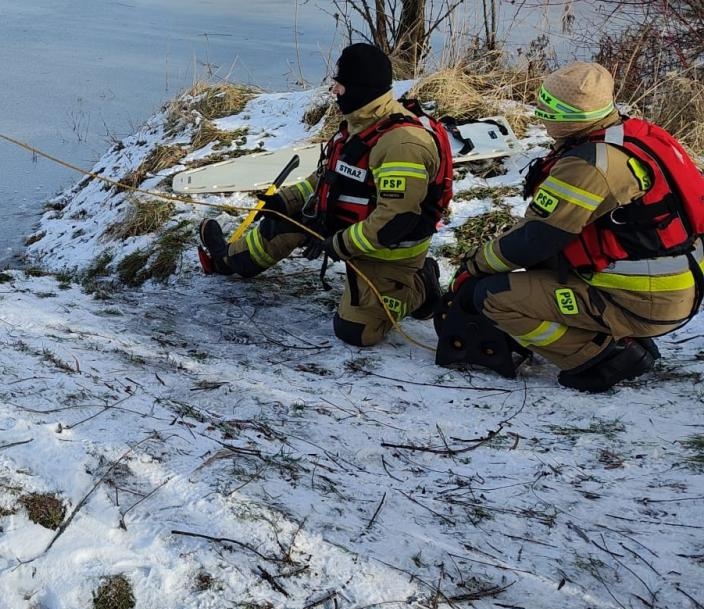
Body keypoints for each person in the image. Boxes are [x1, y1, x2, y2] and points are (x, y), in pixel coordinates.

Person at [448, 62, 703, 393]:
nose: (539, 116)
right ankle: (617, 331)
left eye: (546, 110)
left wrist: (475, 264)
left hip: (644, 298)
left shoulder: (590, 165)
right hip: (678, 286)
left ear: (567, 118)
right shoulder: (635, 135)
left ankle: (599, 355)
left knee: (493, 295)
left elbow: (536, 239)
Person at [199, 43, 451, 346]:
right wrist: (286, 202)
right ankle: (230, 260)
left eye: (340, 85)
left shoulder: (402, 144)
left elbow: (395, 220)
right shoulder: (360, 124)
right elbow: (326, 179)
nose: (334, 91)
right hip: (345, 227)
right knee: (280, 222)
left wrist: (339, 245)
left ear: (360, 88)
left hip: (386, 251)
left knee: (356, 332)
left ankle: (421, 285)